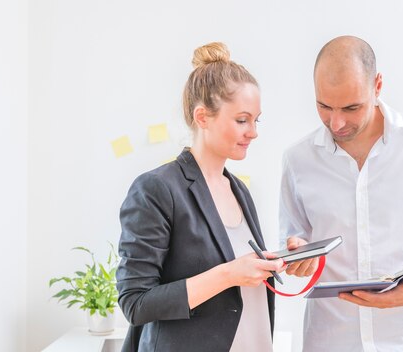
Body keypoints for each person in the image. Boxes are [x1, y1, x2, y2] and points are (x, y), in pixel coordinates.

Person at [279, 36, 403, 351]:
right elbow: (293, 237)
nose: (336, 123)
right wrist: (297, 254)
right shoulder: (298, 159)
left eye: (351, 107)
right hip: (331, 340)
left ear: (377, 86)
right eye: (324, 106)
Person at [117, 42, 285, 352]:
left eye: (256, 120)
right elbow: (135, 302)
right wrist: (229, 274)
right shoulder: (157, 189)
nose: (253, 132)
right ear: (202, 117)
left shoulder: (239, 190)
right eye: (241, 120)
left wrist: (278, 260)